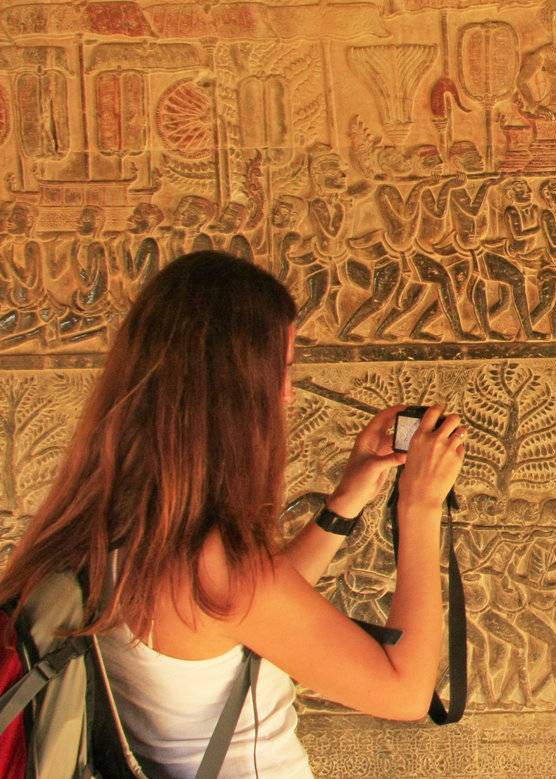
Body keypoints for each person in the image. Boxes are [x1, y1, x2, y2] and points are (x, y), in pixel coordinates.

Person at [0, 251, 467, 778]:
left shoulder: (102, 524)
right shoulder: (212, 567)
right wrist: (421, 506)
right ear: (232, 386)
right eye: (282, 371)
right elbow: (405, 692)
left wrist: (345, 502)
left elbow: (254, 614)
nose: (287, 395)